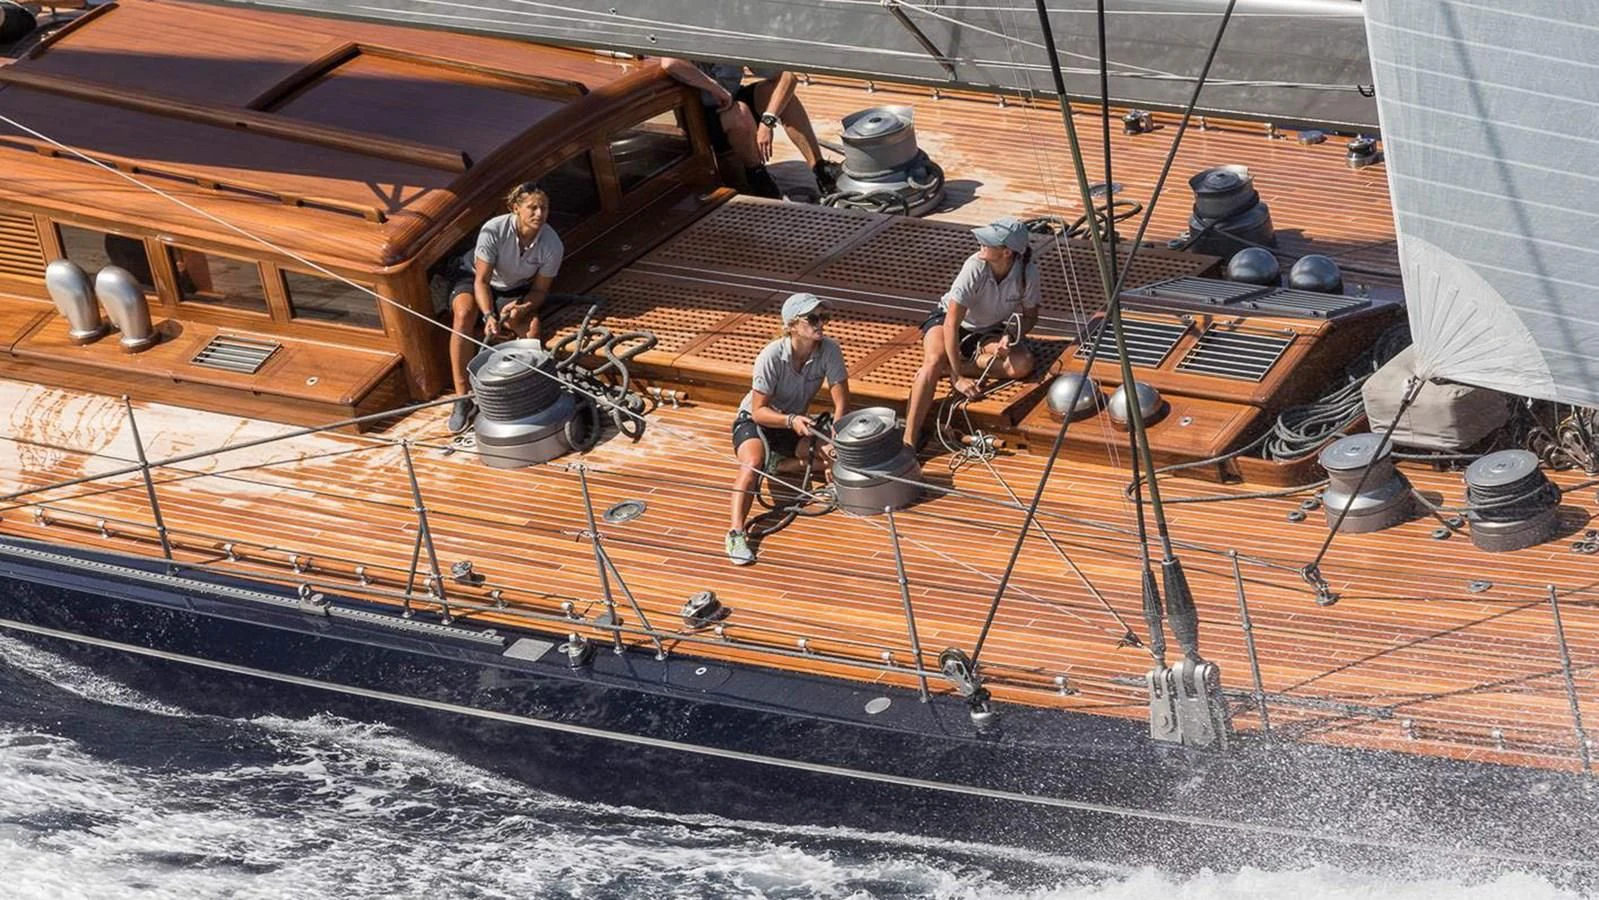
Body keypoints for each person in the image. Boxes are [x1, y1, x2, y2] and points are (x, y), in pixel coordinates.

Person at [726, 292, 850, 566]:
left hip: (795, 422)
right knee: (752, 464)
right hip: (758, 421)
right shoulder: (771, 356)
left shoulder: (830, 349)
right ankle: (735, 532)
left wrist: (835, 439)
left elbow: (841, 402)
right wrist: (790, 420)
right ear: (792, 325)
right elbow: (759, 411)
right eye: (813, 318)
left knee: (830, 457)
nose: (821, 323)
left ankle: (781, 465)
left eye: (824, 317)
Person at [904, 216, 1040, 447]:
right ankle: (908, 439)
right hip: (948, 321)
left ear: (1007, 252)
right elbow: (951, 323)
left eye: (989, 241)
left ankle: (955, 366)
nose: (981, 243)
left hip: (988, 329)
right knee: (933, 360)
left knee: (1023, 364)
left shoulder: (1027, 273)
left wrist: (1011, 335)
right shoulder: (975, 265)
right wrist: (958, 378)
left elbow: (1030, 317)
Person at [445, 183, 564, 434]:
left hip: (513, 287)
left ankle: (527, 395)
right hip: (473, 277)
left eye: (544, 208)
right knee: (465, 314)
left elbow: (540, 291)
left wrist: (523, 308)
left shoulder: (552, 244)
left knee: (530, 329)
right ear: (515, 209)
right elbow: (481, 281)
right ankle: (461, 398)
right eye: (532, 208)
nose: (539, 214)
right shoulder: (493, 230)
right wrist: (488, 315)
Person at [658, 59, 837, 199]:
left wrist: (768, 120)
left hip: (731, 101)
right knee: (740, 113)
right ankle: (758, 178)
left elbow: (788, 76)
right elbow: (670, 63)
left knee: (781, 96)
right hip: (700, 120)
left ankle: (821, 170)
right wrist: (716, 89)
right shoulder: (689, 36)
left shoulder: (733, 38)